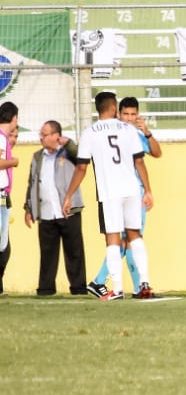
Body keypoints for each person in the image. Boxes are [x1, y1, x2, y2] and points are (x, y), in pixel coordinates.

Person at [62, 92, 155, 302]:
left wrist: (69, 195)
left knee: (113, 239)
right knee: (135, 235)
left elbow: (82, 167)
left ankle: (118, 289)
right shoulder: (127, 130)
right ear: (114, 108)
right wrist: (147, 190)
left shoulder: (90, 133)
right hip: (132, 189)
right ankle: (145, 283)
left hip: (109, 193)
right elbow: (140, 162)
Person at [86, 96, 160, 297]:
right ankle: (111, 282)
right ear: (118, 113)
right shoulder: (118, 133)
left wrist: (147, 131)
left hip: (135, 194)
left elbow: (156, 152)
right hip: (123, 193)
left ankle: (132, 286)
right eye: (125, 114)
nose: (129, 118)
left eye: (133, 114)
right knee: (127, 238)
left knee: (128, 239)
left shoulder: (134, 134)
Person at [24, 122, 86, 296]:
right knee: (47, 254)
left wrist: (69, 143)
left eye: (45, 134)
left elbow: (81, 157)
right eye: (41, 134)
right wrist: (28, 208)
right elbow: (32, 183)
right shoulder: (37, 156)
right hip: (46, 212)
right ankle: (45, 288)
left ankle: (78, 288)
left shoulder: (68, 152)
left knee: (74, 252)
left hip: (68, 211)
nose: (41, 137)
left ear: (55, 135)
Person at [0, 101, 18, 294]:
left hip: (4, 195)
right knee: (2, 245)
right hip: (0, 195)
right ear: (13, 118)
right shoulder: (1, 137)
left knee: (4, 244)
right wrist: (14, 161)